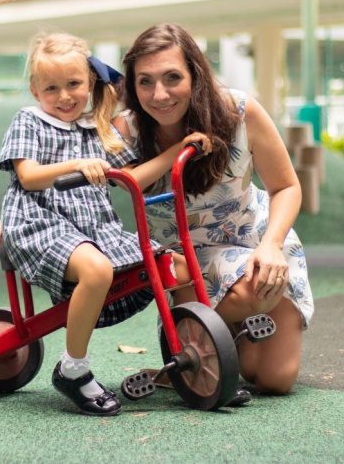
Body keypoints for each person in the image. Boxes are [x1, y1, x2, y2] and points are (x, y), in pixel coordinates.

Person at [0, 32, 209, 416]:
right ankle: (73, 369)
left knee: (174, 266)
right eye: (51, 88)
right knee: (97, 270)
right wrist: (77, 165)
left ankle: (197, 356)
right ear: (34, 89)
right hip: (40, 223)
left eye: (74, 84)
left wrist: (178, 151)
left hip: (94, 229)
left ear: (90, 82)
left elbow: (134, 177)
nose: (64, 96)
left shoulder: (97, 130)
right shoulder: (29, 120)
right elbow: (27, 177)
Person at [114, 22, 314, 395]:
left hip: (254, 241)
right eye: (145, 81)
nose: (159, 94)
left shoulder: (238, 112)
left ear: (196, 74)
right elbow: (75, 175)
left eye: (173, 77)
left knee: (273, 380)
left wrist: (272, 245)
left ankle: (207, 344)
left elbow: (286, 186)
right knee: (241, 314)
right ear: (132, 83)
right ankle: (209, 340)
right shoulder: (124, 130)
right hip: (185, 262)